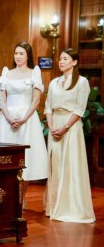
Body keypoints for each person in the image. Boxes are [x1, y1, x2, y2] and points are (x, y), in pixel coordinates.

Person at [0, 41, 48, 206]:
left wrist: (23, 118)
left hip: (27, 119)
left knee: (26, 161)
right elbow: (2, 99)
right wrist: (8, 117)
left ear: (27, 56)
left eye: (21, 53)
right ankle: (6, 198)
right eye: (16, 53)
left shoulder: (34, 72)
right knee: (5, 159)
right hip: (7, 119)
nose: (18, 56)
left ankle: (21, 198)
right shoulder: (6, 73)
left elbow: (36, 100)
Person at [43, 48, 96, 223]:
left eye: (65, 58)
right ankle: (53, 206)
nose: (61, 61)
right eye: (60, 58)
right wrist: (51, 127)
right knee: (55, 166)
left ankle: (71, 206)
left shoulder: (81, 82)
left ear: (74, 62)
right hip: (54, 126)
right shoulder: (54, 83)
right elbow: (48, 107)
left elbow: (79, 109)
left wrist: (65, 127)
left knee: (70, 165)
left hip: (71, 127)